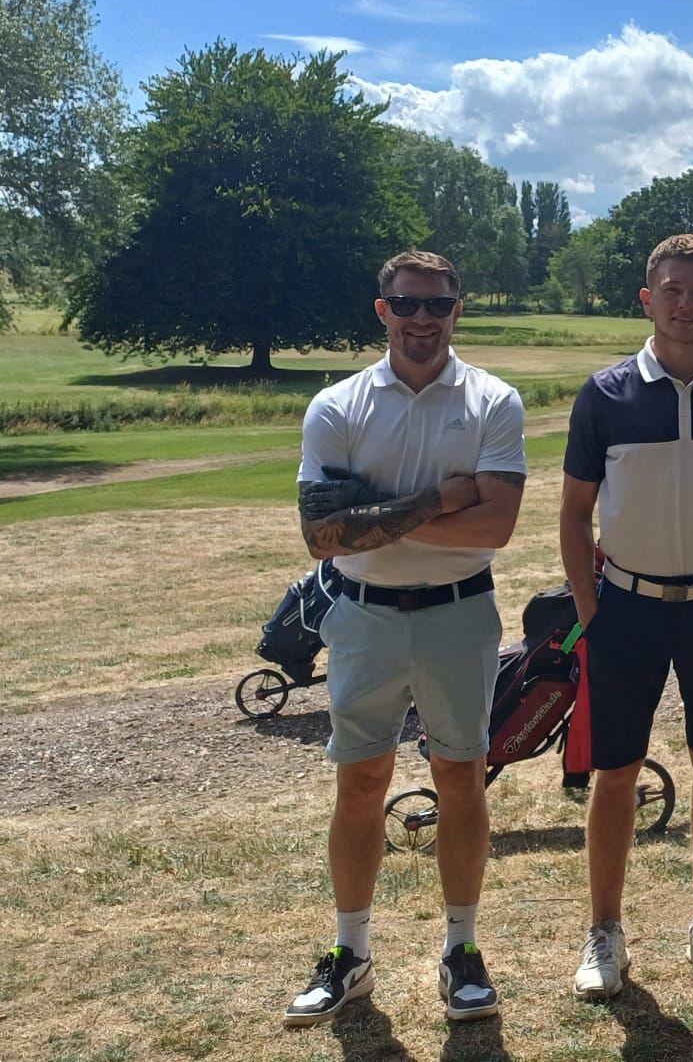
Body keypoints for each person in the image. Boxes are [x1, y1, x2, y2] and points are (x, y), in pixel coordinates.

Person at [284, 250, 528, 1027]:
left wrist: (377, 512)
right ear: (383, 309)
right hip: (364, 614)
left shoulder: (493, 401)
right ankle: (350, 953)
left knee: (461, 776)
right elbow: (323, 537)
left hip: (459, 613)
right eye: (409, 304)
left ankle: (462, 950)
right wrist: (438, 500)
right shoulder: (337, 406)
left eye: (439, 305)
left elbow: (497, 525)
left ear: (458, 310)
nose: (424, 318)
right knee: (360, 782)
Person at [560, 233, 693, 999]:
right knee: (615, 771)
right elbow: (573, 514)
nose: (686, 305)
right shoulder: (605, 393)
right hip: (625, 607)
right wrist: (590, 610)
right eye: (673, 291)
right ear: (647, 299)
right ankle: (605, 930)